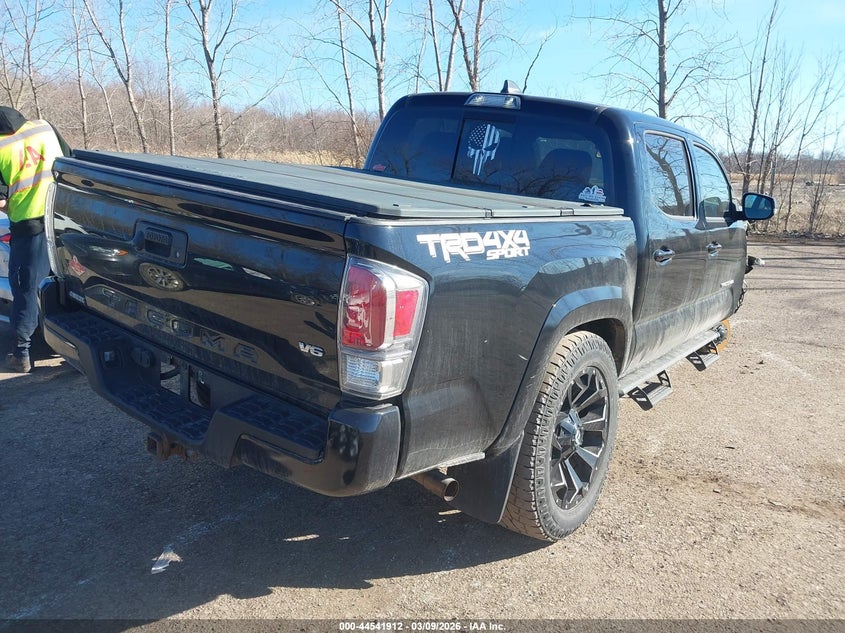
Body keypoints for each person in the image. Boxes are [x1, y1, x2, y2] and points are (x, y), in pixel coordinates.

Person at [0, 106, 66, 373]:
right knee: (67, 285)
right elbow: (70, 161)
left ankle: (21, 353)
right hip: (64, 219)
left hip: (29, 228)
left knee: (26, 290)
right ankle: (73, 347)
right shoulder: (44, 127)